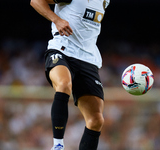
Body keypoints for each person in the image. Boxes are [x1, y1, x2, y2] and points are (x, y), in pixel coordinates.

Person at [30, 0, 110, 149]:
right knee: (64, 84)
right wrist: (57, 20)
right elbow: (36, 1)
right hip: (63, 49)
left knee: (96, 120)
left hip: (88, 59)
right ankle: (58, 145)